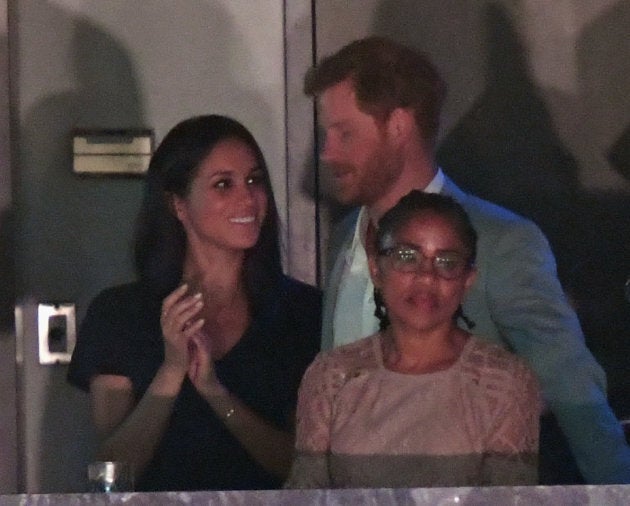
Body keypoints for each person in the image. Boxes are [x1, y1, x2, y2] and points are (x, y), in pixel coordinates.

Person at [304, 36, 630, 484]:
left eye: (344, 133)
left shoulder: (501, 243)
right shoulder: (344, 238)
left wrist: (616, 491)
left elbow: (575, 395)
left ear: (398, 127)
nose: (327, 153)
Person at [67, 114, 322, 491]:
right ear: (179, 205)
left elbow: (304, 469)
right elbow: (114, 472)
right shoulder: (120, 313)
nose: (247, 198)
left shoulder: (302, 311)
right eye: (224, 184)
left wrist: (216, 392)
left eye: (255, 180)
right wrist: (171, 371)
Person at [286, 191, 542, 488]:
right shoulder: (332, 377)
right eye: (408, 257)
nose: (427, 277)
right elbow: (306, 495)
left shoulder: (502, 383)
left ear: (467, 280)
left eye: (446, 262)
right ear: (376, 269)